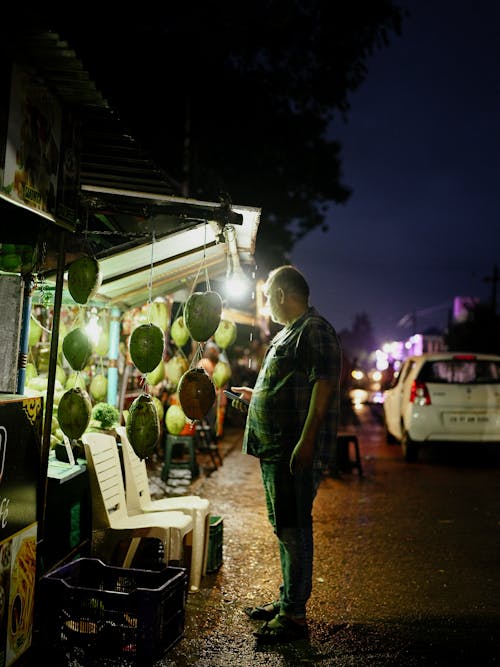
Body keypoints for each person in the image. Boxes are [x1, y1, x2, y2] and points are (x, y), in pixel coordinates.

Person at [231, 264, 342, 644]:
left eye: (267, 296)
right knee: (285, 527)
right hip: (277, 449)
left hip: (292, 450)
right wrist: (255, 397)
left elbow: (323, 387)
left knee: (294, 529)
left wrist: (306, 441)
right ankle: (286, 601)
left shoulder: (314, 330)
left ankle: (294, 614)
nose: (266, 304)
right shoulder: (292, 333)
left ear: (280, 294)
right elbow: (286, 386)